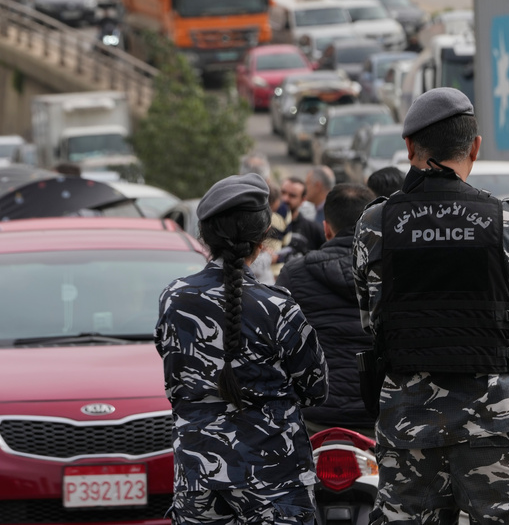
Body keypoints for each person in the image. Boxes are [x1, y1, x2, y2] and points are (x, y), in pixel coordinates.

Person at [352, 87, 509, 525]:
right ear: (474, 146)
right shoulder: (507, 221)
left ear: (409, 148)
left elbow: (371, 316)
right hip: (496, 424)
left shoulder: (375, 223)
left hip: (408, 424)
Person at [154, 173, 328, 525]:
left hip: (198, 472)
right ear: (263, 238)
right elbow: (316, 388)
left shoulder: (174, 298)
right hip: (273, 475)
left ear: (204, 236)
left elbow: (172, 368)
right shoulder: (277, 306)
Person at [276, 183, 376, 436]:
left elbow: (277, 344)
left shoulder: (294, 273)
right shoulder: (393, 273)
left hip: (313, 414)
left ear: (326, 228)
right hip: (378, 413)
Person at [279, 176, 325, 259]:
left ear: (303, 200)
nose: (285, 198)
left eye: (292, 195)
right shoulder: (267, 224)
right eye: (283, 192)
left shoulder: (314, 230)